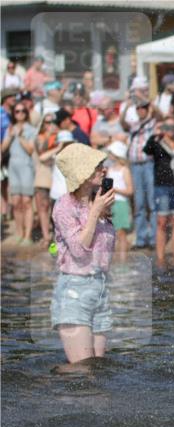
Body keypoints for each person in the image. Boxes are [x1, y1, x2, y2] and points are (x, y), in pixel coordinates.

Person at [50, 143, 117, 365]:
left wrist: (99, 209)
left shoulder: (97, 201)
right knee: (82, 370)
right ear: (83, 172)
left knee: (97, 368)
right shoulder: (64, 207)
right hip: (74, 291)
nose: (103, 169)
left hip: (99, 289)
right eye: (97, 166)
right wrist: (95, 212)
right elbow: (79, 251)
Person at [144, 119, 174, 266]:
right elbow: (147, 150)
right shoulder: (157, 144)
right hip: (162, 186)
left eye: (173, 126)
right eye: (167, 126)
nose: (171, 129)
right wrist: (155, 135)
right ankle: (160, 257)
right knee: (162, 222)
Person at [122, 100, 157, 249]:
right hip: (135, 165)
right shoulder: (134, 124)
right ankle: (141, 238)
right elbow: (122, 123)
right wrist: (127, 105)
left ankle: (154, 238)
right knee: (139, 202)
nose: (141, 110)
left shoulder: (153, 123)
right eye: (139, 108)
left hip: (149, 164)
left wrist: (150, 104)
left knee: (152, 202)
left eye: (144, 107)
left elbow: (159, 115)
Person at [2, 101, 37, 243]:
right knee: (16, 202)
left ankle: (28, 236)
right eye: (17, 111)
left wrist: (21, 136)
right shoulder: (10, 129)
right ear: (14, 114)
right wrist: (10, 135)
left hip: (26, 167)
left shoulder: (31, 130)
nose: (20, 113)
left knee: (27, 202)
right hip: (13, 167)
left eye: (23, 111)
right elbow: (3, 149)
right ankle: (19, 233)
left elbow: (30, 150)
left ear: (26, 113)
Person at [103, 140, 133, 261]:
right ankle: (115, 261)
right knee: (112, 234)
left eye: (111, 152)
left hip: (121, 204)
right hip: (111, 203)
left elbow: (130, 190)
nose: (109, 154)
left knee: (121, 234)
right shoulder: (109, 169)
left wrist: (116, 190)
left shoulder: (124, 170)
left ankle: (123, 261)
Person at [34, 114, 61, 245]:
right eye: (47, 122)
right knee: (43, 206)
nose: (50, 125)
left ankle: (56, 235)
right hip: (43, 174)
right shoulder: (40, 137)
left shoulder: (60, 136)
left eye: (52, 122)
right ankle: (46, 236)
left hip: (57, 176)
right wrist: (50, 135)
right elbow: (41, 151)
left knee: (55, 209)